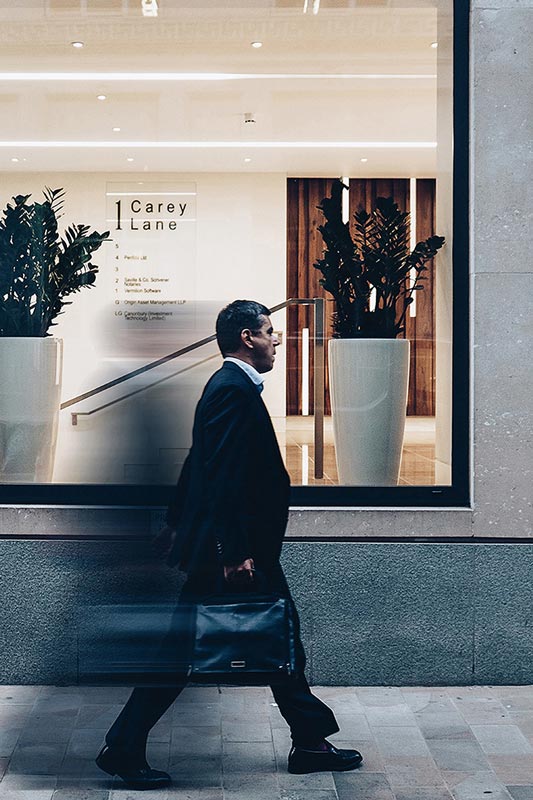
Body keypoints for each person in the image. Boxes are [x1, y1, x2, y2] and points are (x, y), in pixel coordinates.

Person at [95, 299, 363, 789]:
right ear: (247, 338)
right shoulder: (231, 389)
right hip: (236, 552)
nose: (277, 340)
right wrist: (233, 552)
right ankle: (125, 745)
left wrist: (176, 520)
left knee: (276, 637)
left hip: (232, 548)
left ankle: (309, 740)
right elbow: (218, 473)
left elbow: (200, 459)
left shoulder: (230, 388)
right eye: (270, 331)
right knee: (214, 648)